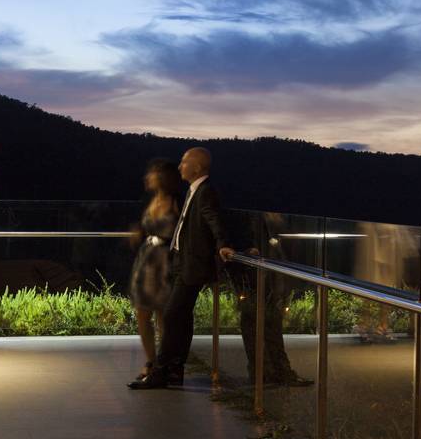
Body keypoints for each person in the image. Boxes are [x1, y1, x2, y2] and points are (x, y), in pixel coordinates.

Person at [129, 147, 234, 389]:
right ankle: (174, 370)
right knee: (180, 318)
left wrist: (224, 244)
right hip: (181, 263)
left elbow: (214, 220)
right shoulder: (193, 192)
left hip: (192, 266)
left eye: (184, 162)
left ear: (196, 167)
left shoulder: (205, 192)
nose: (180, 167)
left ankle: (160, 372)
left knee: (173, 315)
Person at [225, 211, 313, 386]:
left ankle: (271, 372)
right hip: (255, 268)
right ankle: (268, 372)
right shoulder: (251, 215)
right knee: (257, 318)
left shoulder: (257, 214)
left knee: (265, 318)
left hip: (264, 266)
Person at [128, 159, 181, 382]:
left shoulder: (177, 202)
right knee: (142, 312)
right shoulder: (149, 200)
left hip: (165, 262)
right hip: (146, 260)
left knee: (162, 315)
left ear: (162, 177)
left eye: (151, 174)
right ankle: (151, 360)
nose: (147, 178)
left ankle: (163, 364)